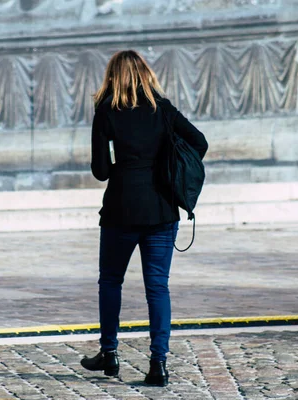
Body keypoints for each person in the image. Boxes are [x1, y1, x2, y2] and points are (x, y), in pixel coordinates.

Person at [80, 50, 208, 386]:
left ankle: (109, 354)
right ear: (145, 75)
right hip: (161, 210)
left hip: (121, 209)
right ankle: (158, 364)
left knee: (110, 281)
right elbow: (199, 142)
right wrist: (168, 163)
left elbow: (100, 171)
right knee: (157, 287)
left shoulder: (106, 111)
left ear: (112, 77)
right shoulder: (162, 109)